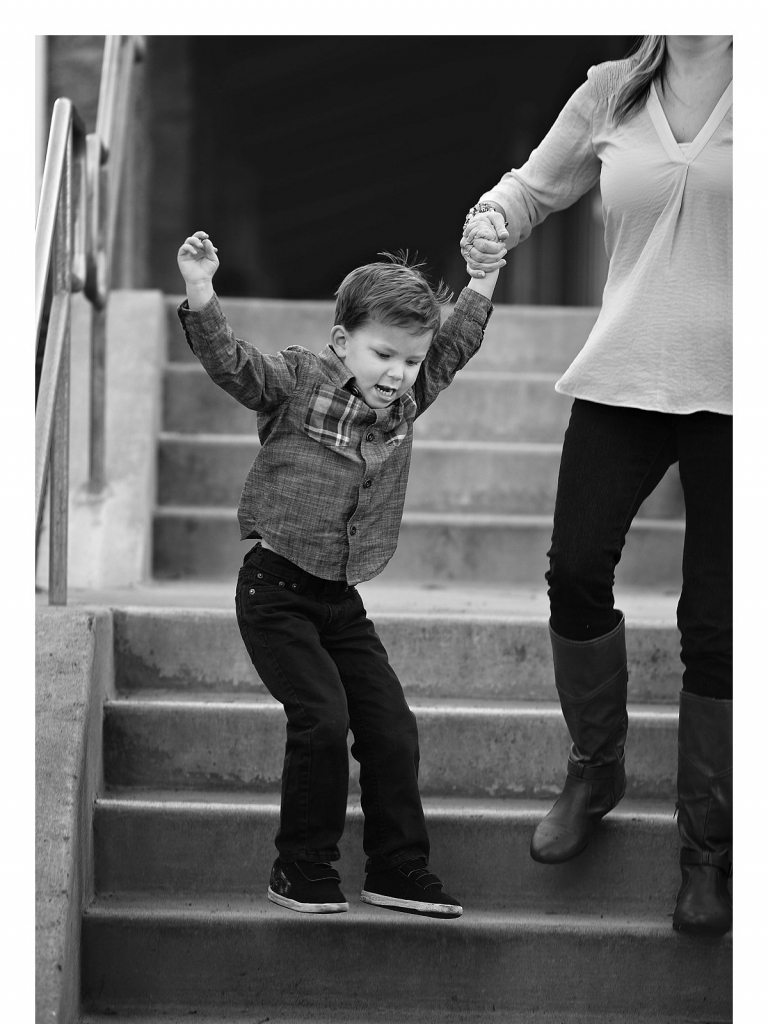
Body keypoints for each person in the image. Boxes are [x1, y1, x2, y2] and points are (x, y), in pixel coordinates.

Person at [461, 36, 732, 936]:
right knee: (576, 572)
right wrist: (494, 216)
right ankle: (596, 767)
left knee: (719, 625)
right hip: (625, 375)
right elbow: (536, 186)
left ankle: (707, 852)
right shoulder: (613, 91)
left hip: (740, 395)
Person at [176, 234, 504, 917]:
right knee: (323, 718)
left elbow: (455, 346)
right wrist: (202, 292)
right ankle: (300, 867)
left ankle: (397, 868)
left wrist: (485, 275)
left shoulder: (405, 403)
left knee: (391, 728)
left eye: (410, 361)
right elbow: (236, 367)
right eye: (383, 354)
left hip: (340, 601)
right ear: (342, 340)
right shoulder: (297, 380)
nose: (398, 373)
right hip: (275, 592)